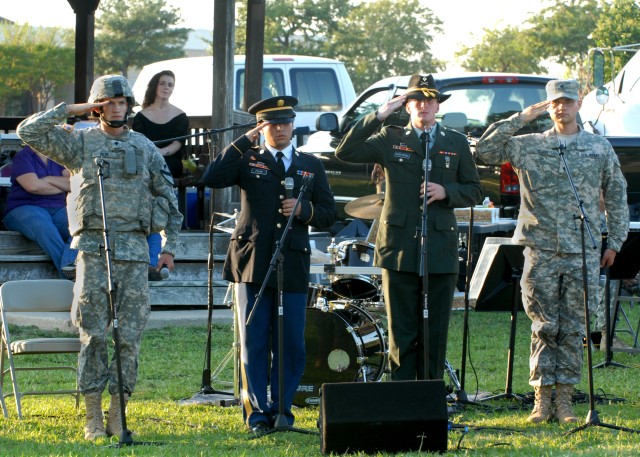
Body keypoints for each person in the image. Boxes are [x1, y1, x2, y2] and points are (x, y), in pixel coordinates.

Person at [17, 74, 183, 440]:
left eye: (122, 102)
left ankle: (119, 414)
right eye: (108, 102)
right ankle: (93, 415)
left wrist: (170, 247)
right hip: (93, 252)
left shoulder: (144, 147)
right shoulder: (79, 144)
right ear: (98, 106)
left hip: (136, 255)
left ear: (130, 106)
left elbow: (170, 200)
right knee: (92, 334)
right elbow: (29, 131)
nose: (116, 108)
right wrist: (73, 110)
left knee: (130, 337)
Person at [476, 79, 629, 424]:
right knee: (544, 325)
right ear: (548, 106)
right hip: (540, 248)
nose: (562, 108)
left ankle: (565, 401)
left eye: (568, 102)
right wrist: (521, 118)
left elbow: (617, 196)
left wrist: (614, 243)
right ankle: (541, 401)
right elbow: (484, 151)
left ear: (578, 105)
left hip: (583, 251)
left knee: (575, 326)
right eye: (556, 102)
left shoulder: (598, 148)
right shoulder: (528, 146)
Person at [202, 96, 336, 436]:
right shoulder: (249, 159)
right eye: (271, 124)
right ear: (262, 127)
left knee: (291, 342)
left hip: (292, 260)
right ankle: (257, 414)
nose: (280, 129)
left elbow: (330, 213)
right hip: (253, 260)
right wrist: (243, 141)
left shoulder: (310, 165)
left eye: (285, 122)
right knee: (255, 340)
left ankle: (282, 411)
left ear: (293, 125)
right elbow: (211, 177)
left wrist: (303, 209)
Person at [335, 74, 483, 381]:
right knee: (402, 327)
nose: (424, 106)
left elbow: (475, 189)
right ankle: (402, 394)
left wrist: (447, 192)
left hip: (439, 247)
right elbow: (345, 152)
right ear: (407, 105)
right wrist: (378, 114)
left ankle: (430, 392)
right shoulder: (391, 138)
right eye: (417, 100)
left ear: (437, 105)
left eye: (430, 101)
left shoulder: (454, 142)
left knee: (435, 326)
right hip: (399, 246)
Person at [132, 70, 189, 278]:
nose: (166, 87)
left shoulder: (180, 115)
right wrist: (152, 155)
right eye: (163, 83)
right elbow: (138, 143)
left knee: (160, 194)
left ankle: (154, 258)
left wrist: (159, 154)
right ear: (155, 86)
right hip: (145, 162)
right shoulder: (141, 115)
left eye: (170, 84)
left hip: (169, 161)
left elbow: (177, 144)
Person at [3, 144, 78, 278]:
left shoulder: (59, 157)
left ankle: (69, 265)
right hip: (24, 207)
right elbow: (33, 187)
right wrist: (61, 185)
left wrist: (47, 179)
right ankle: (69, 274)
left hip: (59, 208)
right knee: (44, 227)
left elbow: (73, 184)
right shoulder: (23, 156)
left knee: (81, 227)